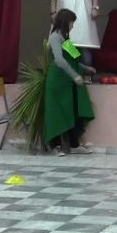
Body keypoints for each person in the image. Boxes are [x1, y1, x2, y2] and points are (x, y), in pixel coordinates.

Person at [43, 9, 96, 155]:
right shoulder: (55, 37)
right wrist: (75, 76)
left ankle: (74, 145)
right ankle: (54, 146)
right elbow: (59, 60)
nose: (73, 25)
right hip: (57, 81)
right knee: (56, 113)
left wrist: (86, 69)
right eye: (72, 22)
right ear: (65, 22)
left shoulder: (65, 38)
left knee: (70, 112)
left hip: (66, 82)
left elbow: (73, 59)